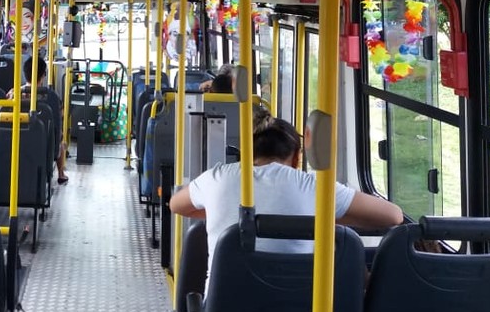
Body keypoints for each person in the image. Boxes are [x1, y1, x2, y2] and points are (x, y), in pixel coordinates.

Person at [169, 117, 402, 277]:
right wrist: (319, 216)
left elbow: (177, 204)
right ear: (297, 157)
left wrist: (219, 211)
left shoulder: (216, 177)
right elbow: (393, 216)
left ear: (247, 152)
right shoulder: (313, 186)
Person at [9, 54, 69, 184]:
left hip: (15, 142)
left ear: (25, 74)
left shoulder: (13, 93)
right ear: (43, 75)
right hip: (45, 146)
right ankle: (61, 173)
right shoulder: (52, 97)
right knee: (62, 141)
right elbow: (58, 122)